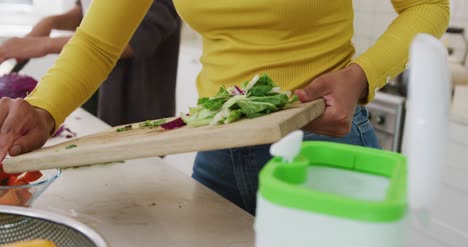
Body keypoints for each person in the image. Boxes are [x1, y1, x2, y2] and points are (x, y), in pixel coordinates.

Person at [0, 0, 449, 215]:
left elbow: (428, 7)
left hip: (324, 147)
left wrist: (361, 75)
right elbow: (98, 41)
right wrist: (43, 110)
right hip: (219, 152)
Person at [0, 0, 180, 126]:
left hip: (137, 103)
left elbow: (136, 39)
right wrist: (51, 22)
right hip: (93, 90)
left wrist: (44, 45)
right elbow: (92, 13)